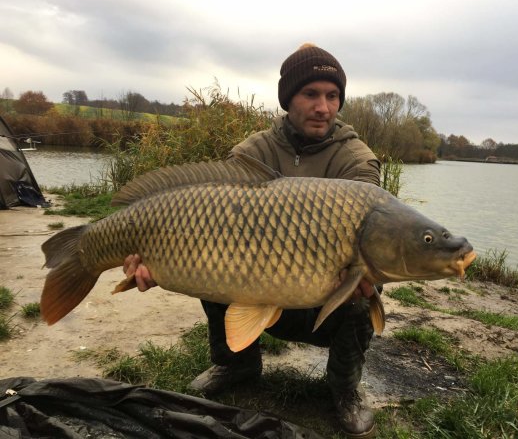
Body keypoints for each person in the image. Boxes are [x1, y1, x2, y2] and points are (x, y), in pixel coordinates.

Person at [124, 43, 381, 438]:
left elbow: (364, 221)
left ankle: (344, 389)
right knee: (218, 252)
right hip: (255, 285)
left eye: (332, 96)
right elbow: (207, 214)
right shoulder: (252, 150)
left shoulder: (356, 159)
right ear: (288, 99)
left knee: (365, 289)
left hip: (323, 300)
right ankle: (236, 362)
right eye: (310, 94)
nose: (323, 107)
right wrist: (158, 262)